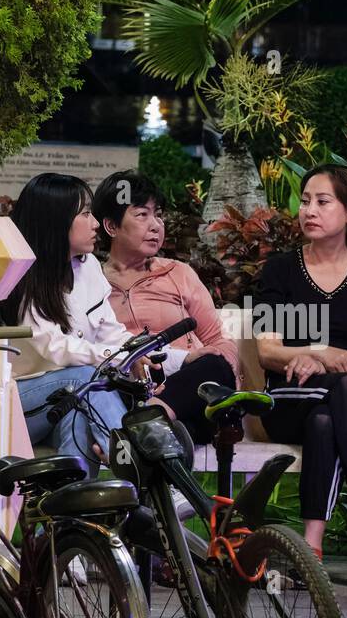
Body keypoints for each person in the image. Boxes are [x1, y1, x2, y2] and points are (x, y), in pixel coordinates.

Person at [254, 164, 347, 564]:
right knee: (337, 394)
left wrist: (319, 365)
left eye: (323, 202)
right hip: (290, 398)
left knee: (328, 417)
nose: (309, 210)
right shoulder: (281, 270)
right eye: (305, 201)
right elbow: (269, 352)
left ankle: (311, 545)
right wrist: (321, 354)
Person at [0, 173, 131, 475]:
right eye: (85, 213)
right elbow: (55, 349)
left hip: (64, 401)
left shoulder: (89, 266)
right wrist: (112, 358)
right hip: (18, 406)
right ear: (55, 220)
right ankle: (138, 468)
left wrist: (135, 355)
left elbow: (112, 332)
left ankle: (70, 520)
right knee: (84, 379)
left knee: (79, 419)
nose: (95, 223)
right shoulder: (22, 276)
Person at [92, 171, 240, 445]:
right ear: (111, 226)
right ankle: (157, 431)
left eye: (157, 214)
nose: (156, 225)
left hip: (186, 383)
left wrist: (216, 365)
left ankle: (151, 419)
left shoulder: (178, 272)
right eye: (141, 215)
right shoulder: (91, 282)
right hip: (130, 385)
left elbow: (220, 341)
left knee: (215, 363)